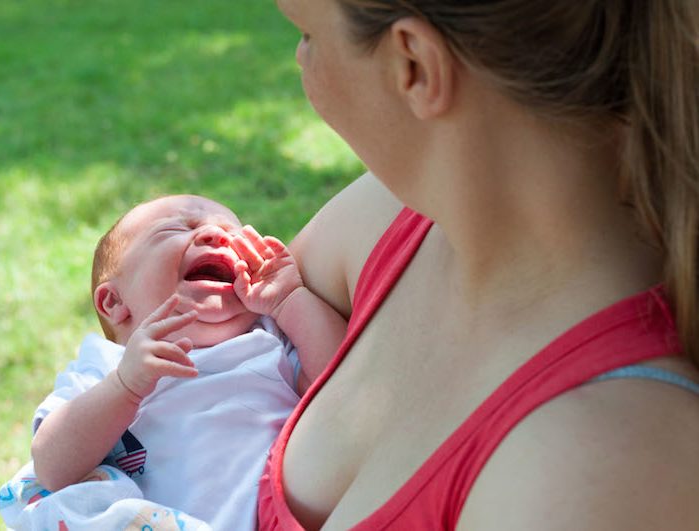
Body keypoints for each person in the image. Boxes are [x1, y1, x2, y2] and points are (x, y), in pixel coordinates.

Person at [258, 0, 699, 529]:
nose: (301, 62)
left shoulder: (594, 470)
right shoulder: (387, 220)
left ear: (413, 64)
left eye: (308, 36)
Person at [0, 194, 346, 530]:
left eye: (233, 233)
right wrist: (125, 385)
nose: (215, 235)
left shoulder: (268, 337)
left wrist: (289, 300)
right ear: (114, 303)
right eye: (175, 229)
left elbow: (345, 384)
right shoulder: (107, 366)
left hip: (276, 513)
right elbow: (52, 468)